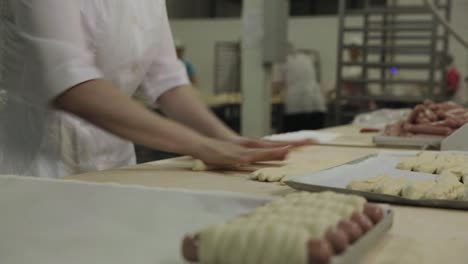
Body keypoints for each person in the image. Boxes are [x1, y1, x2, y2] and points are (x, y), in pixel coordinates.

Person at [0, 0, 311, 178]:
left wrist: (230, 141)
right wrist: (201, 146)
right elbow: (70, 82)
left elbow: (167, 80)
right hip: (37, 164)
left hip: (116, 165)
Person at [272, 44, 326, 132]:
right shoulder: (306, 58)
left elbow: (275, 87)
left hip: (297, 108)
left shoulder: (280, 61)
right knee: (315, 142)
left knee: (296, 142)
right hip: (318, 105)